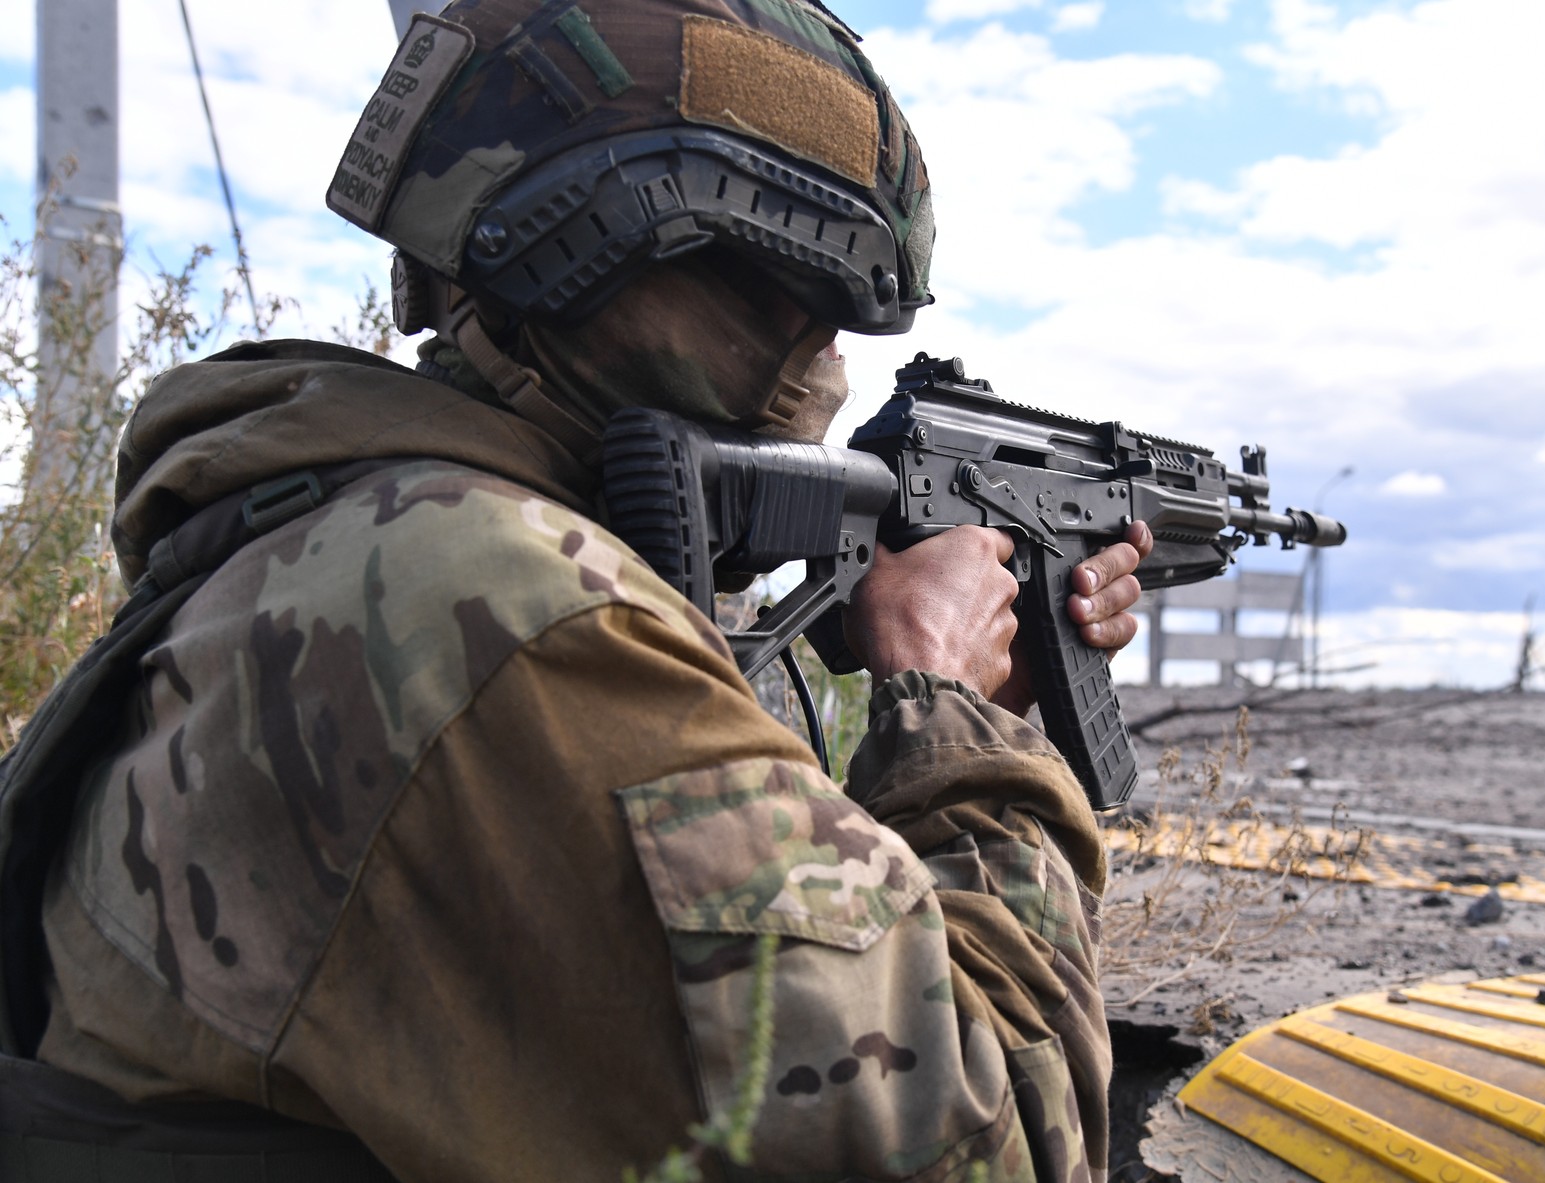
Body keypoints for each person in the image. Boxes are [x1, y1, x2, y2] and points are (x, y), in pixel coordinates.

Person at [13, 1, 1152, 1178]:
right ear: (631, 257)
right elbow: (992, 1145)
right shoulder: (507, 608)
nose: (828, 373)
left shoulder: (349, 527)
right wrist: (958, 710)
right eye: (801, 323)